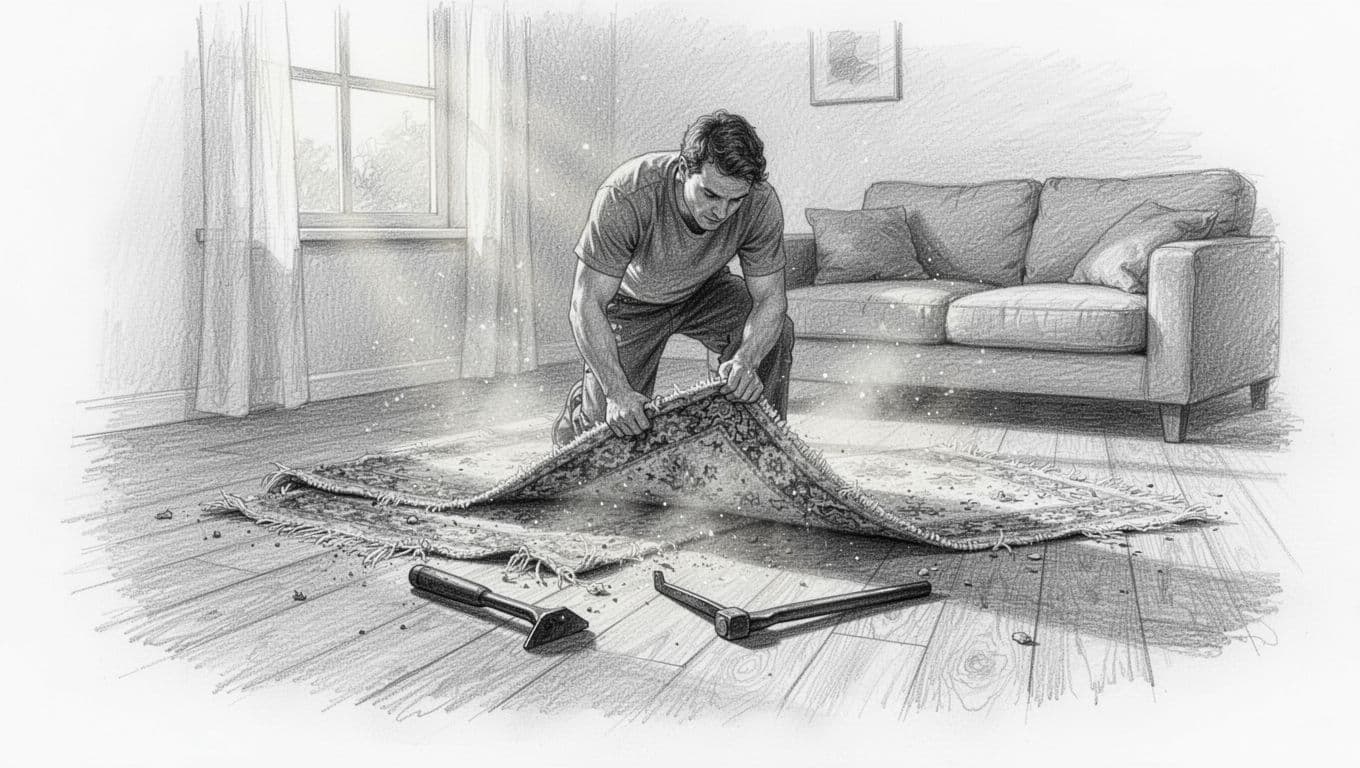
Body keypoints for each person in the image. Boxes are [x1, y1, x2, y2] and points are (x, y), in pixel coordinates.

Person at [553, 110, 795, 446]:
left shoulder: (761, 201)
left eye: (734, 200)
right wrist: (617, 392)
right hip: (630, 303)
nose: (721, 212)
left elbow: (770, 298)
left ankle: (756, 444)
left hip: (705, 290)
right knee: (609, 431)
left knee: (777, 331)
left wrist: (747, 359)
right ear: (684, 170)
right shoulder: (627, 193)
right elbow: (587, 303)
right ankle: (582, 409)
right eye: (710, 195)